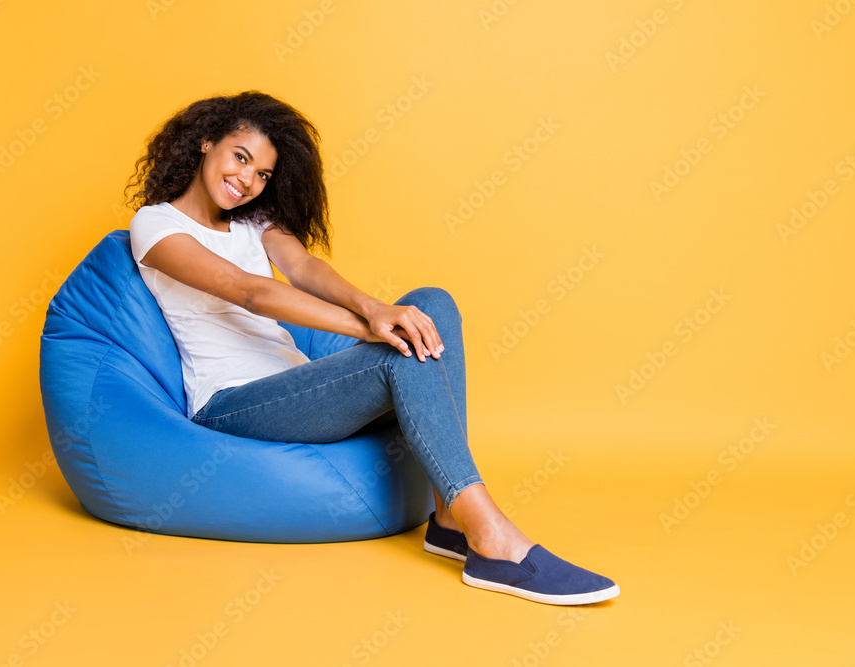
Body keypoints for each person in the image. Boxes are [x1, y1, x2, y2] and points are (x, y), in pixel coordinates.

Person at [123, 90, 619, 606]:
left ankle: (449, 520)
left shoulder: (254, 224)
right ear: (206, 143)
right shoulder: (156, 224)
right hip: (232, 404)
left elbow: (304, 270)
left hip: (295, 388)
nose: (247, 180)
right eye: (240, 157)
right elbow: (250, 290)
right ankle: (490, 535)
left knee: (431, 302)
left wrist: (377, 308)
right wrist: (368, 330)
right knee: (395, 350)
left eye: (263, 174)